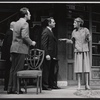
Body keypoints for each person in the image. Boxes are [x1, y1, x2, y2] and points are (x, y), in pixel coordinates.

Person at [7, 7, 36, 94]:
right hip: (20, 49)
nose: (30, 15)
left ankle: (10, 88)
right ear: (25, 15)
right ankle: (16, 89)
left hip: (14, 48)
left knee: (13, 69)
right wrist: (32, 43)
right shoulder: (25, 24)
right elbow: (24, 36)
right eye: (29, 13)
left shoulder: (15, 23)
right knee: (18, 69)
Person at [59, 17, 91, 90]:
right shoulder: (74, 32)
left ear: (79, 23)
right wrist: (66, 40)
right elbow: (72, 41)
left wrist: (87, 38)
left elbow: (89, 38)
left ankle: (87, 84)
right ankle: (79, 84)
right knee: (78, 68)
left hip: (85, 50)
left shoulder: (85, 30)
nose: (73, 24)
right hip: (77, 50)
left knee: (86, 68)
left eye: (74, 22)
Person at [41, 17, 59, 90]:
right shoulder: (46, 31)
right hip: (48, 54)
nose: (55, 23)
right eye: (53, 22)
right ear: (49, 23)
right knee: (46, 70)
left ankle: (51, 85)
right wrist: (46, 54)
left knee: (51, 70)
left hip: (52, 54)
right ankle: (45, 85)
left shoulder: (50, 31)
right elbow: (43, 44)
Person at [1, 21, 15, 91]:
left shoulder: (8, 32)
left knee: (8, 70)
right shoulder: (10, 33)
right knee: (9, 70)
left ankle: (7, 86)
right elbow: (9, 45)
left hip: (7, 55)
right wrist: (10, 55)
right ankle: (7, 86)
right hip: (9, 55)